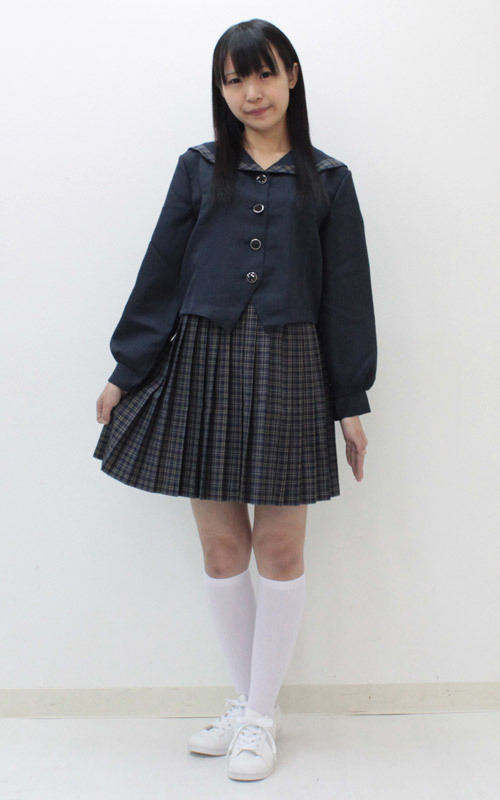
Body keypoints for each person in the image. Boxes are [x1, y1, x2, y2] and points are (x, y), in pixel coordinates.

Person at [93, 18, 377, 782]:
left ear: (292, 76)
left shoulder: (329, 179)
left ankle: (258, 716)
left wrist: (350, 400)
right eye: (234, 78)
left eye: (264, 73)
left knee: (279, 547)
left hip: (292, 363)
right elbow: (160, 272)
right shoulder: (198, 169)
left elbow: (346, 294)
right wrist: (126, 369)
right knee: (223, 548)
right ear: (221, 90)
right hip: (203, 358)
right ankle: (253, 708)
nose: (252, 92)